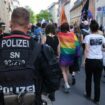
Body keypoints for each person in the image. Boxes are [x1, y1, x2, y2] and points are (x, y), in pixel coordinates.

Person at [0, 7, 49, 105]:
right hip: (32, 101)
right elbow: (53, 82)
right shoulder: (38, 47)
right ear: (29, 26)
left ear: (10, 23)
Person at [84, 20, 105, 105]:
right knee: (97, 81)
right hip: (99, 60)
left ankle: (88, 95)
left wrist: (84, 60)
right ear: (98, 28)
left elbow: (86, 49)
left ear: (90, 28)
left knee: (88, 79)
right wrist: (100, 49)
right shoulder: (102, 37)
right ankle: (97, 99)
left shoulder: (87, 37)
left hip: (90, 60)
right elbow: (104, 48)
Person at [58, 23, 80, 93]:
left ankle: (66, 84)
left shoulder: (59, 34)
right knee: (67, 70)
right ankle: (66, 82)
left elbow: (58, 44)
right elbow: (77, 44)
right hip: (71, 54)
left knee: (63, 71)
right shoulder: (72, 34)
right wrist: (77, 54)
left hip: (63, 54)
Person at [45, 24, 59, 101]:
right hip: (54, 59)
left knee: (46, 75)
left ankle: (46, 92)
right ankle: (52, 95)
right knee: (53, 76)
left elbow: (41, 47)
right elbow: (58, 49)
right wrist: (58, 57)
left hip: (46, 59)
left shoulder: (45, 37)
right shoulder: (56, 38)